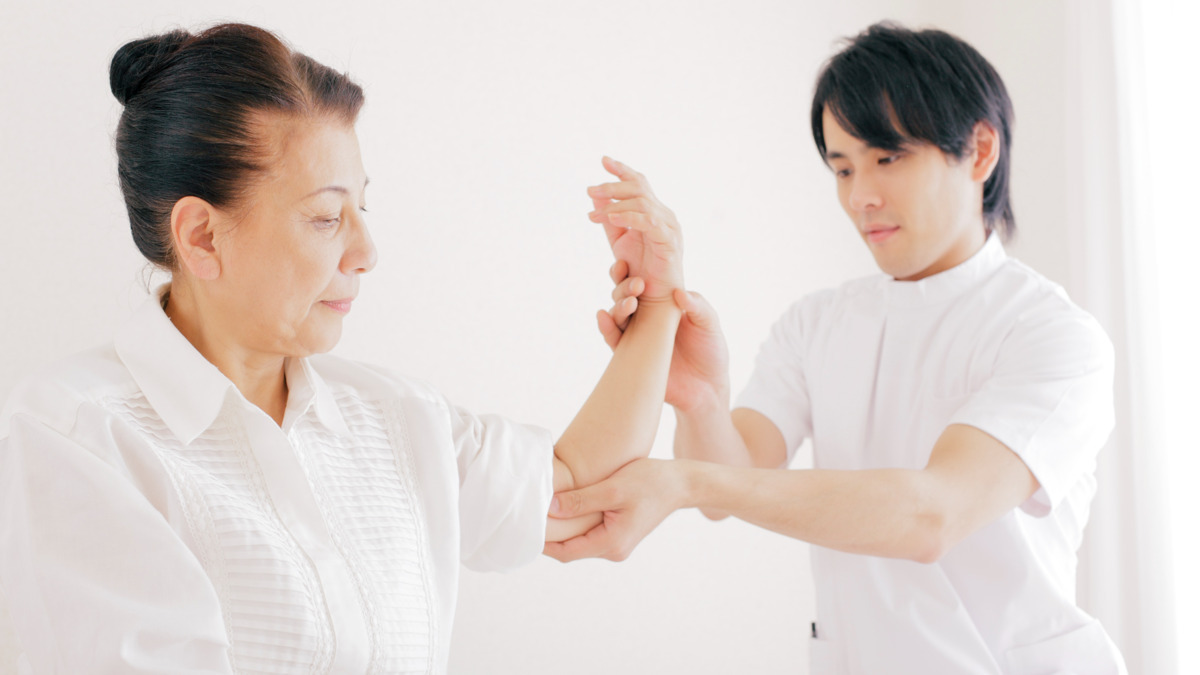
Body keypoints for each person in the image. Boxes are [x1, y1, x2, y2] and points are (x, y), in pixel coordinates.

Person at [0, 24, 684, 673]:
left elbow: (581, 491)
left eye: (362, 209)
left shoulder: (393, 416)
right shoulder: (77, 432)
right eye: (327, 217)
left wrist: (656, 303)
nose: (366, 252)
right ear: (202, 236)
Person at [545, 22, 1128, 674]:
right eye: (842, 167)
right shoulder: (817, 323)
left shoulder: (1054, 335)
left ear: (980, 151)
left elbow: (931, 515)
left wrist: (679, 480)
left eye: (887, 158)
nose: (860, 196)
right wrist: (701, 400)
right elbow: (731, 486)